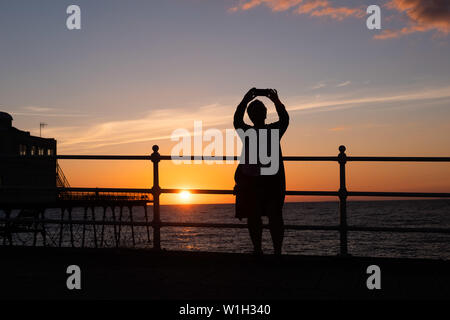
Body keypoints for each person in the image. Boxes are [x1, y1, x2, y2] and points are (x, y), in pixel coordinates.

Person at [233, 88, 289, 255]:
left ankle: (265, 251)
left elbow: (237, 119)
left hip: (266, 181)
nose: (258, 114)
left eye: (259, 111)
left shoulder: (250, 132)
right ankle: (269, 251)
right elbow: (285, 119)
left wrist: (245, 100)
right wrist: (276, 101)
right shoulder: (271, 131)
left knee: (265, 216)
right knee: (261, 216)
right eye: (256, 111)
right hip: (261, 181)